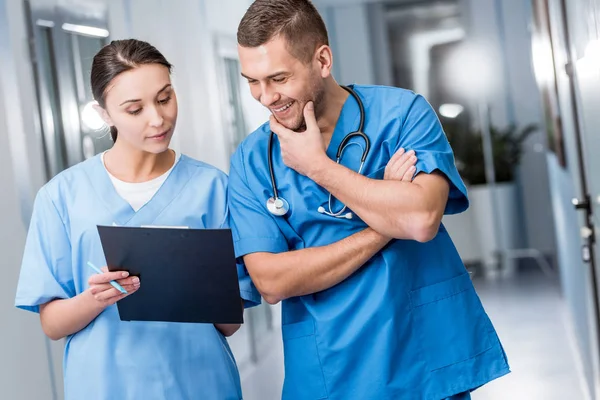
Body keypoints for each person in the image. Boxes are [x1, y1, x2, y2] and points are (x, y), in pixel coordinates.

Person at [229, 1, 510, 399]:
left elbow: (421, 219)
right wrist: (385, 219)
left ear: (322, 59)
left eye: (278, 78)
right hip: (331, 369)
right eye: (252, 81)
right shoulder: (253, 160)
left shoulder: (403, 114)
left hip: (420, 359)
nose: (265, 97)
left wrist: (318, 168)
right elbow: (271, 281)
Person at [14, 39, 259, 400]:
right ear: (104, 114)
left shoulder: (213, 188)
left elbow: (229, 323)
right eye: (134, 109)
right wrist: (96, 298)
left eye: (164, 98)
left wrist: (196, 285)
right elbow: (51, 323)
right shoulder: (61, 196)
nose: (158, 119)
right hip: (104, 386)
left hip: (199, 384)